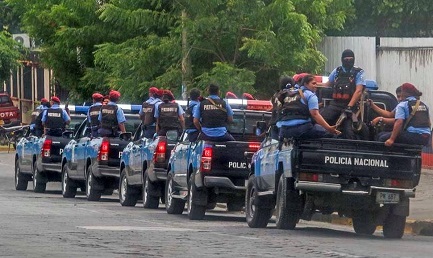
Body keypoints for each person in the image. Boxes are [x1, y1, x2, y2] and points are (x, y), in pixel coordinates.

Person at [276, 74, 340, 140]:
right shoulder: (310, 95)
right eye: (313, 83)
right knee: (332, 135)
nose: (316, 86)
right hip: (303, 129)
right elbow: (315, 114)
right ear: (306, 84)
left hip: (284, 130)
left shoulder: (289, 94)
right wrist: (329, 128)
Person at [319, 49, 365, 139]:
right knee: (320, 120)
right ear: (342, 59)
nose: (348, 61)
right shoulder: (337, 71)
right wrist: (310, 85)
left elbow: (359, 91)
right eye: (346, 59)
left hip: (350, 107)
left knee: (349, 131)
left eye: (350, 59)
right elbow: (327, 85)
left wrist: (349, 107)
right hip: (335, 105)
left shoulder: (359, 72)